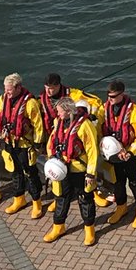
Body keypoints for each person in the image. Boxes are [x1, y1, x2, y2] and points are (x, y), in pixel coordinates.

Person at [43, 96, 100, 246]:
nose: (58, 114)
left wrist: (90, 173)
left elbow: (93, 151)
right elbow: (51, 142)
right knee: (61, 197)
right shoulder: (58, 123)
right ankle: (58, 226)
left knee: (85, 198)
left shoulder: (85, 125)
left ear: (68, 111)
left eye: (60, 111)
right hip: (61, 168)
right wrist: (51, 159)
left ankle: (89, 229)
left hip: (79, 169)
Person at [0, 73, 45, 218]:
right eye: (5, 89)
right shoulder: (3, 99)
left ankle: (36, 202)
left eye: (9, 89)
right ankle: (19, 198)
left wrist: (38, 142)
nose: (7, 92)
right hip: (9, 141)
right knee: (15, 172)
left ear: (18, 87)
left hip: (25, 145)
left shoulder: (30, 103)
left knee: (30, 173)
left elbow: (37, 124)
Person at [100, 79, 136, 229]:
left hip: (129, 154)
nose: (110, 99)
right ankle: (121, 207)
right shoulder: (104, 108)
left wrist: (129, 152)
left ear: (122, 94)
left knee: (135, 181)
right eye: (108, 96)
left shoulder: (134, 111)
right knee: (117, 181)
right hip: (113, 154)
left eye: (113, 96)